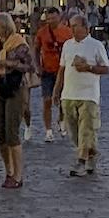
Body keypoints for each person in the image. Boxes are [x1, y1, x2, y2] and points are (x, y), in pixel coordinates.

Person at [55, 11, 109, 178]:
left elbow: (106, 69)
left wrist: (89, 68)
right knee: (73, 131)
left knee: (86, 129)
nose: (71, 29)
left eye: (74, 26)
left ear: (85, 28)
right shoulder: (67, 45)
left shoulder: (96, 45)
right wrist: (56, 90)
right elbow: (62, 69)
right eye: (70, 26)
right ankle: (90, 154)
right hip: (69, 94)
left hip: (88, 95)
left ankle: (80, 161)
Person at [0, 12, 34, 189]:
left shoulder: (19, 43)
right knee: (0, 133)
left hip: (15, 87)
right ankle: (8, 170)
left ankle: (18, 174)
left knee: (11, 132)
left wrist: (9, 64)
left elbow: (30, 66)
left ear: (5, 26)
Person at [34, 7, 72, 143]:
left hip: (63, 71)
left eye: (53, 18)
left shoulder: (67, 32)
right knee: (47, 100)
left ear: (59, 17)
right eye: (48, 18)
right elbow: (36, 49)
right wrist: (37, 66)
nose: (50, 21)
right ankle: (48, 131)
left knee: (63, 100)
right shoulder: (42, 32)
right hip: (47, 71)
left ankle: (62, 119)